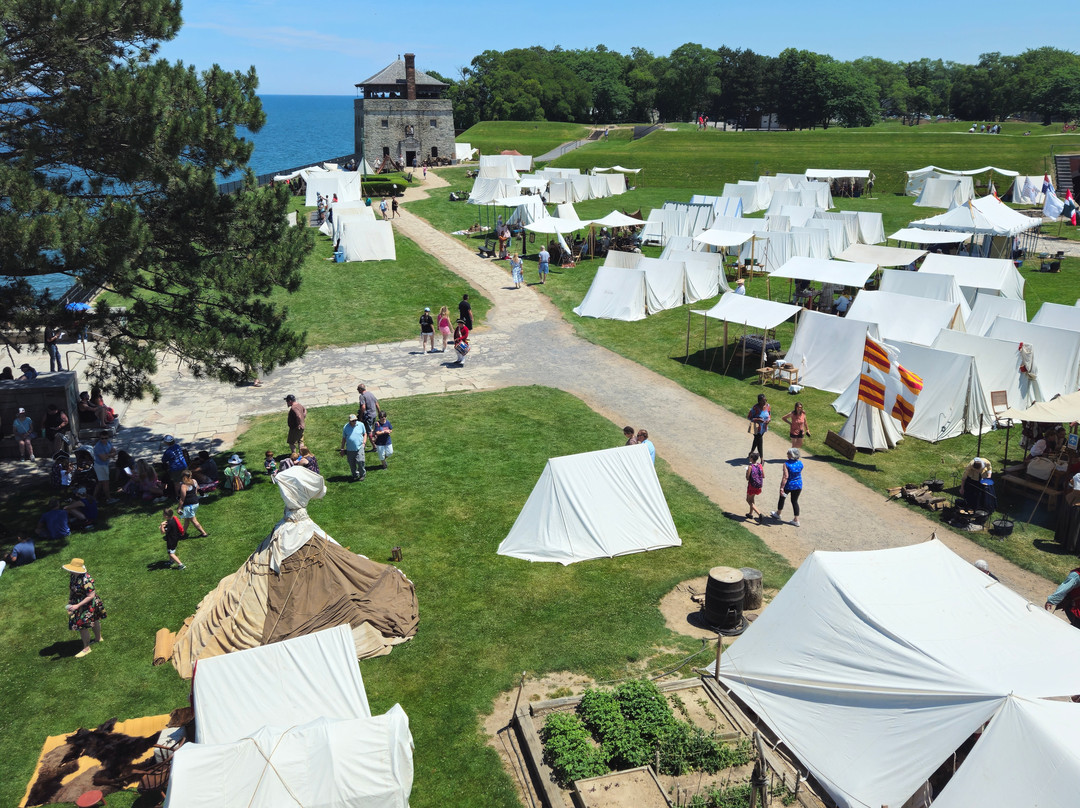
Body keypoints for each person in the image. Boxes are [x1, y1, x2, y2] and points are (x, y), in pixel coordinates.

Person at [64, 557, 105, 658]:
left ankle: (86, 648)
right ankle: (98, 638)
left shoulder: (86, 580)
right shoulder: (73, 575)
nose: (70, 570)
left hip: (87, 604)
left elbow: (91, 596)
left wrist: (77, 605)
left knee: (82, 626)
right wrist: (70, 600)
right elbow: (72, 589)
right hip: (79, 602)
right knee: (94, 620)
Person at [770, 448, 804, 527]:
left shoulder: (786, 464)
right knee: (794, 501)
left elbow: (785, 477)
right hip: (798, 485)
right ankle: (796, 520)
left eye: (788, 453)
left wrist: (782, 487)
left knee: (782, 498)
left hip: (788, 485)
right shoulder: (800, 463)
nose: (787, 454)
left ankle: (778, 513)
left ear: (791, 455)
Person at [177, 470, 209, 536]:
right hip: (195, 503)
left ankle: (204, 533)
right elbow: (196, 491)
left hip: (189, 505)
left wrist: (179, 508)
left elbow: (182, 499)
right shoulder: (194, 481)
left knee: (193, 520)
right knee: (187, 519)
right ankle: (182, 533)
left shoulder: (184, 486)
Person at [339, 413, 367, 481]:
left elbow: (365, 434)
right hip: (350, 449)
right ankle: (355, 474)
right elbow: (344, 438)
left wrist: (364, 443)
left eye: (355, 420)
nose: (354, 422)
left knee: (360, 461)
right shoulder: (346, 427)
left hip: (359, 447)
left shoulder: (361, 425)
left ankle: (362, 474)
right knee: (352, 464)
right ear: (349, 421)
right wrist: (342, 449)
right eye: (353, 421)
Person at [92, 434, 118, 503]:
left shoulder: (108, 443)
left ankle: (94, 498)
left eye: (105, 438)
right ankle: (109, 499)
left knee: (100, 482)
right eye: (102, 438)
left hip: (104, 465)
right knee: (106, 482)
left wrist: (108, 455)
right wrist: (110, 455)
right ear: (100, 439)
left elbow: (114, 451)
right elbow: (103, 458)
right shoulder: (98, 447)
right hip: (100, 466)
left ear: (108, 438)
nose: (104, 440)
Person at [747, 394, 771, 460]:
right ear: (759, 401)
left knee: (756, 440)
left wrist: (769, 420)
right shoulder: (755, 408)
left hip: (763, 426)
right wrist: (757, 419)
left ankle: (751, 452)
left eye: (765, 400)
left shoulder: (768, 406)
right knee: (760, 440)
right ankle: (761, 458)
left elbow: (769, 415)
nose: (765, 402)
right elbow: (749, 417)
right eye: (763, 401)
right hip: (755, 426)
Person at [357, 383, 379, 448]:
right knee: (372, 430)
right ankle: (376, 442)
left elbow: (363, 407)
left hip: (368, 416)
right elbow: (377, 404)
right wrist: (379, 412)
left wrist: (360, 416)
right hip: (374, 415)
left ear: (361, 389)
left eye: (358, 389)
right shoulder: (370, 394)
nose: (357, 390)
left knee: (368, 432)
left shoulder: (362, 396)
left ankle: (375, 447)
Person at [746, 451, 765, 520]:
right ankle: (750, 514)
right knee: (752, 499)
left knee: (748, 500)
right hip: (758, 486)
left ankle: (759, 513)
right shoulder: (760, 465)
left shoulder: (750, 466)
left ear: (751, 458)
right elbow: (763, 475)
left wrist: (747, 472)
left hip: (751, 486)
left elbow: (747, 478)